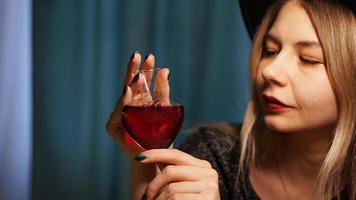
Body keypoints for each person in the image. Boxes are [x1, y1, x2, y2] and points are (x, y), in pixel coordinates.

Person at [106, 0, 356, 199]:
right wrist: (149, 163)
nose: (268, 71)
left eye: (308, 59)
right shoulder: (213, 154)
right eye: (270, 51)